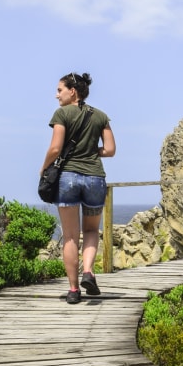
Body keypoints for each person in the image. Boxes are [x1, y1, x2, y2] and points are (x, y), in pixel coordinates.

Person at [41, 72, 115, 304]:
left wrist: (44, 169)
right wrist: (92, 151)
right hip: (94, 178)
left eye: (59, 90)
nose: (56, 95)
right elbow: (110, 150)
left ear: (73, 91)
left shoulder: (62, 113)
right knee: (92, 231)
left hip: (68, 178)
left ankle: (73, 290)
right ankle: (89, 272)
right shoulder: (101, 116)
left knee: (71, 237)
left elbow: (55, 149)